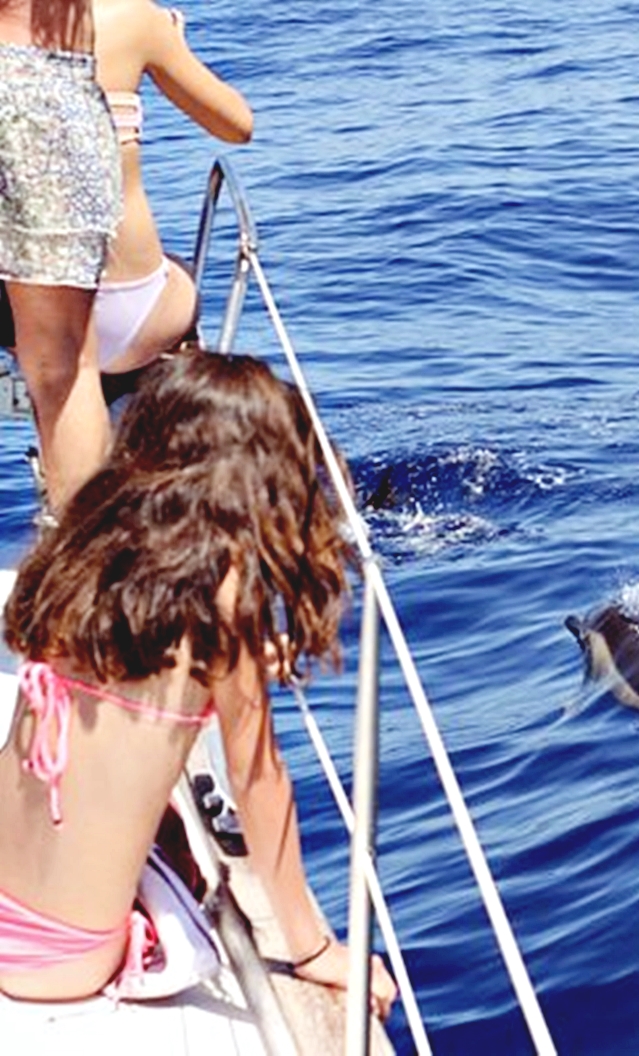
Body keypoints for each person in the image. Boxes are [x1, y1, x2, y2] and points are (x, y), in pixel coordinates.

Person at [0, 352, 397, 1019]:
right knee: (184, 853)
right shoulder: (221, 602)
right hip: (51, 957)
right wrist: (312, 950)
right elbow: (260, 784)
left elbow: (132, 678)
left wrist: (231, 672)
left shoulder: (88, 543)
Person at [1, 0, 122, 512]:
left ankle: (84, 549)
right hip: (40, 80)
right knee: (65, 368)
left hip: (33, 78)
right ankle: (87, 558)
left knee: (62, 367)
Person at [91, 0, 253, 375]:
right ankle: (168, 414)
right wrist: (169, 46)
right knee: (176, 275)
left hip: (21, 312)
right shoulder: (130, 17)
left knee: (49, 348)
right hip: (126, 307)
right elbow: (237, 125)